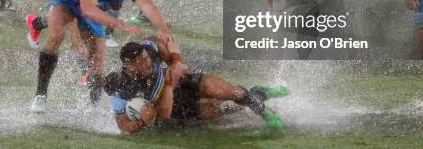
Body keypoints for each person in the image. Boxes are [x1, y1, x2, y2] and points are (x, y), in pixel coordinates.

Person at [30, 0, 172, 111]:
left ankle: (94, 107)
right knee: (57, 35)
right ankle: (40, 95)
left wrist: (163, 29)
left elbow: (147, 5)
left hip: (92, 9)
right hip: (67, 0)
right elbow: (87, 9)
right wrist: (120, 24)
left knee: (97, 60)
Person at [104, 36, 290, 133]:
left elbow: (161, 41)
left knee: (228, 92)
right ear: (129, 66)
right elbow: (124, 127)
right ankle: (257, 92)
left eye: (147, 58)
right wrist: (142, 121)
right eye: (141, 63)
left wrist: (175, 61)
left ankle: (263, 110)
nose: (148, 64)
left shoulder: (148, 49)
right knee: (225, 109)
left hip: (184, 80)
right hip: (173, 106)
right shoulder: (119, 87)